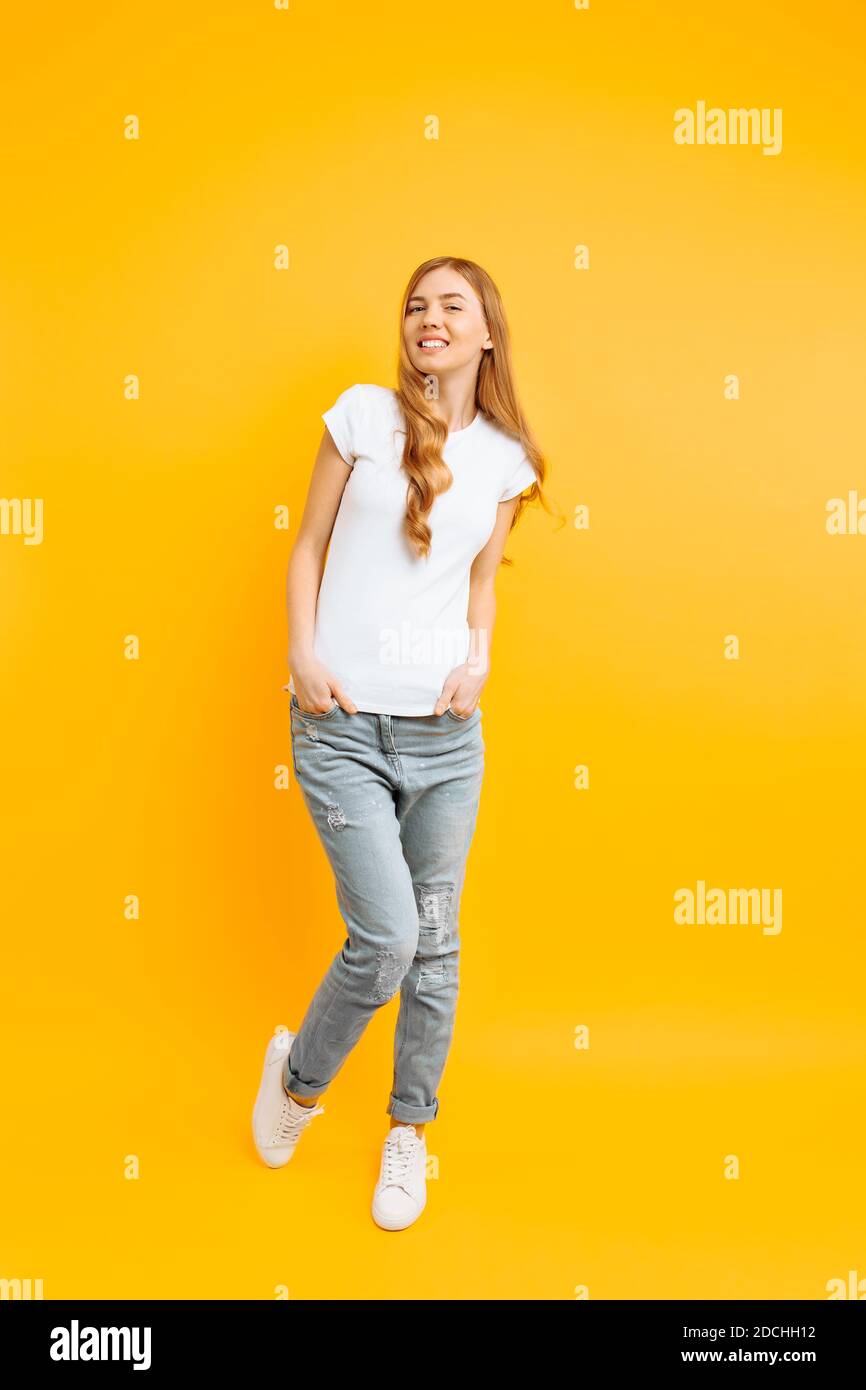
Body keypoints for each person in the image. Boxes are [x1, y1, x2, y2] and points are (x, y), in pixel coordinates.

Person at [252, 255, 550, 1231]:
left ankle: (408, 1132)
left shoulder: (506, 459)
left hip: (445, 740)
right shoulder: (361, 417)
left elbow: (481, 586)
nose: (430, 318)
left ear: (485, 333)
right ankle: (297, 1084)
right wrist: (302, 654)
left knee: (435, 943)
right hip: (340, 725)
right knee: (386, 939)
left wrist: (478, 662)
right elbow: (307, 543)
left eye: (452, 306)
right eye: (417, 305)